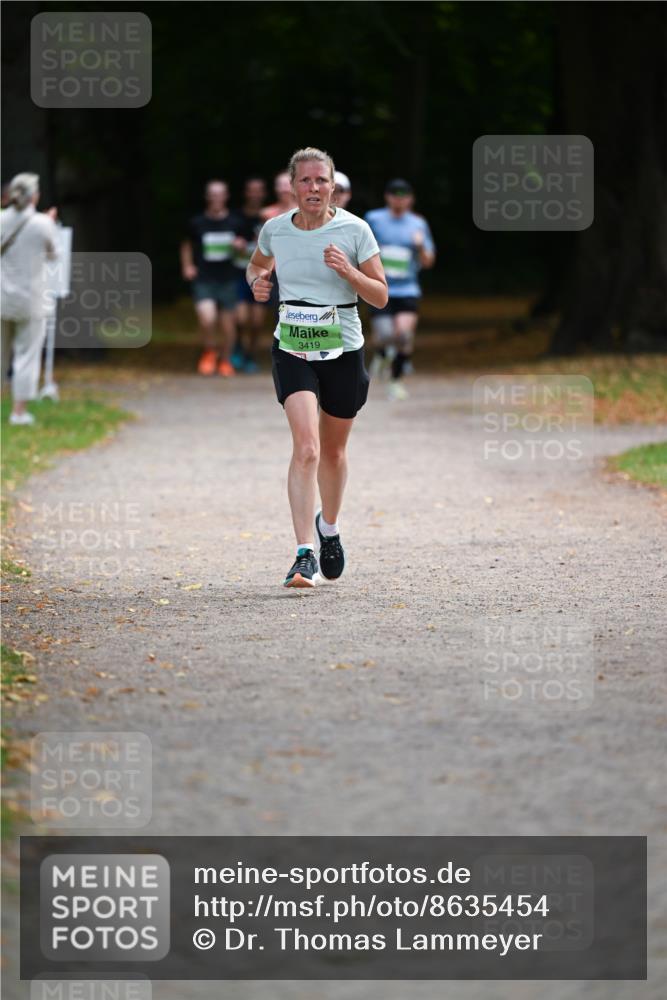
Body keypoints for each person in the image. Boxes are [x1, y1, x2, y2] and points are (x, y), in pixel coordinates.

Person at [246, 147, 387, 588]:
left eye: (320, 181)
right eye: (304, 181)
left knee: (333, 452)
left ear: (333, 186)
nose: (313, 188)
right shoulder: (275, 230)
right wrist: (258, 283)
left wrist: (349, 272)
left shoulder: (355, 230)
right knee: (306, 448)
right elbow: (256, 265)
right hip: (292, 347)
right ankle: (304, 552)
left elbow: (380, 295)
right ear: (291, 186)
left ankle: (330, 526)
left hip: (343, 349)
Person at [365, 179, 436, 399]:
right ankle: (382, 352)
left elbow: (428, 261)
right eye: (395, 194)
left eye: (404, 195)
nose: (399, 199)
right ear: (387, 197)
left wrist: (421, 245)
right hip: (379, 287)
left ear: (411, 199)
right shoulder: (373, 219)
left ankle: (395, 381)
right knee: (386, 334)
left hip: (407, 289)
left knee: (404, 335)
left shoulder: (418, 223)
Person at [1, 173, 58, 426]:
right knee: (26, 355)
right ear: (34, 195)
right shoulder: (42, 223)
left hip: (2, 297)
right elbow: (54, 254)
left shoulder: (1, 220)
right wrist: (50, 222)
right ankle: (19, 412)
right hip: (31, 299)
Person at [181, 179, 247, 376]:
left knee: (228, 325)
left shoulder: (236, 222)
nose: (216, 198)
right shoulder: (197, 222)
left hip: (228, 278)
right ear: (207, 197)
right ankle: (210, 351)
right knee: (207, 318)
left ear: (226, 196)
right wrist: (187, 265)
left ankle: (226, 360)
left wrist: (240, 247)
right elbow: (186, 245)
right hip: (204, 278)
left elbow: (247, 251)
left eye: (220, 194)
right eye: (213, 194)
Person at [233, 177, 268, 373]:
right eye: (251, 190)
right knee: (240, 318)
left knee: (256, 322)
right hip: (239, 273)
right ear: (246, 193)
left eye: (258, 190)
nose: (255, 194)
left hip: (262, 275)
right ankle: (237, 344)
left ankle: (250, 354)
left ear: (263, 193)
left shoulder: (270, 218)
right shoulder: (236, 217)